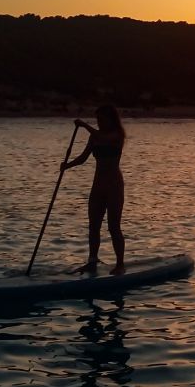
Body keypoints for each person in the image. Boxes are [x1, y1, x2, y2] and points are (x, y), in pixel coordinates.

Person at [61, 105, 126, 275]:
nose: (99, 122)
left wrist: (84, 126)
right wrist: (67, 166)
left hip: (114, 186)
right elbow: (83, 158)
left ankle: (120, 264)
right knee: (93, 226)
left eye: (102, 119)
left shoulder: (118, 135)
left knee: (113, 227)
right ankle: (92, 260)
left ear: (111, 119)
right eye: (98, 120)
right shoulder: (94, 137)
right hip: (97, 186)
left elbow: (103, 138)